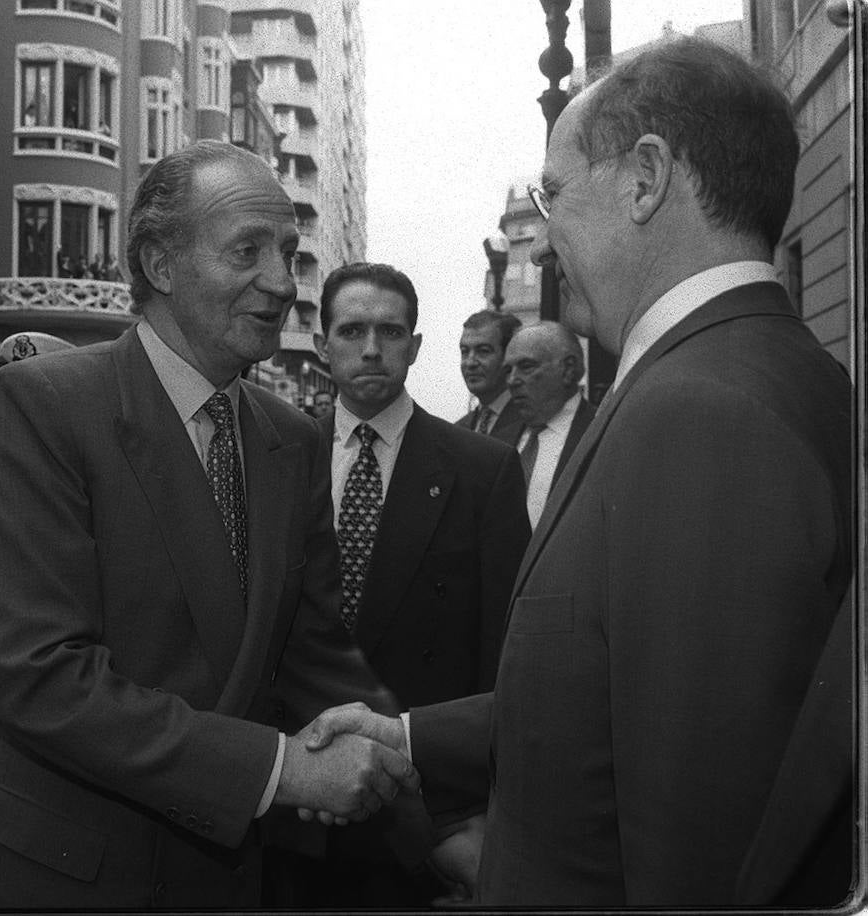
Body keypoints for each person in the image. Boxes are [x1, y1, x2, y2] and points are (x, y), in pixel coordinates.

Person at [304, 36, 853, 906]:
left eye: (551, 195)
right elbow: (600, 690)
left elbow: (695, 843)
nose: (548, 244)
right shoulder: (730, 377)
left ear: (645, 180)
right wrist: (406, 736)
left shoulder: (701, 414)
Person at [0, 140, 424, 909]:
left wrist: (413, 782)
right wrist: (280, 770)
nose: (283, 283)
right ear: (160, 264)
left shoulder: (292, 439)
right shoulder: (39, 406)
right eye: (247, 250)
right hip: (50, 875)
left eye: (287, 251)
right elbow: (41, 677)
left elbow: (312, 655)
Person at [272, 263, 529, 907]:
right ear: (322, 342)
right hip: (294, 796)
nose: (370, 349)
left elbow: (505, 653)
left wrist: (479, 805)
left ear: (415, 347)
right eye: (351, 329)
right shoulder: (278, 456)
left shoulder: (481, 470)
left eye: (390, 331)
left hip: (425, 813)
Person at [501, 321, 594, 528]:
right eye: (507, 370)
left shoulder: (602, 434)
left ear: (568, 369)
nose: (512, 380)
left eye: (526, 366)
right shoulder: (498, 442)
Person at [456, 310, 523, 443]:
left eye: (483, 351)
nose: (470, 363)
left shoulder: (530, 421)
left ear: (509, 355)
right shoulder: (458, 431)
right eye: (464, 352)